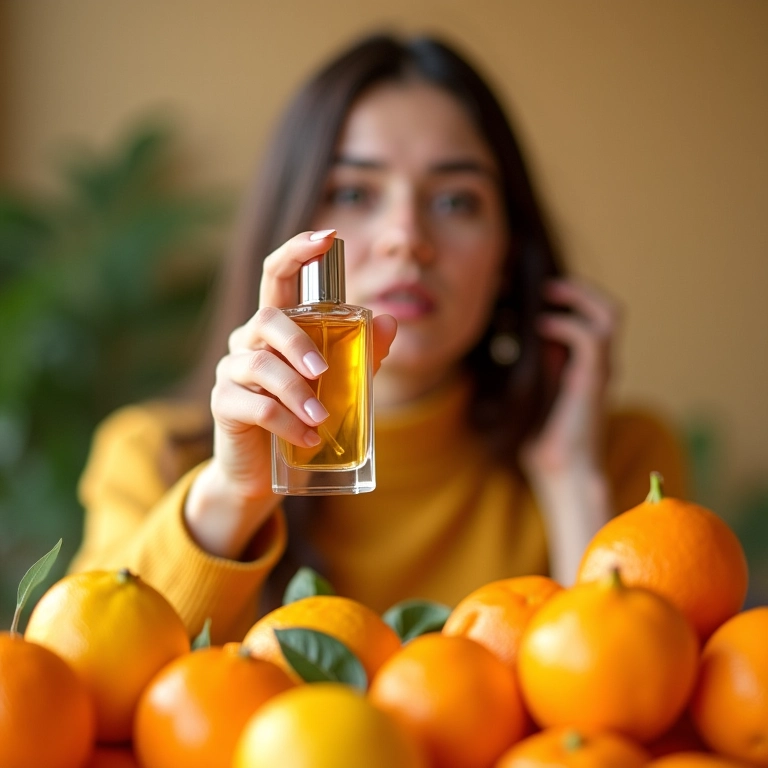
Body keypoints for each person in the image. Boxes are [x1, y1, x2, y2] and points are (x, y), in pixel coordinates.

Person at [70, 32, 686, 642]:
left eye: (454, 202)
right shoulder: (152, 458)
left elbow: (634, 707)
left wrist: (571, 482)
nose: (406, 238)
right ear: (289, 229)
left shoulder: (622, 459)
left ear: (507, 253)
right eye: (354, 193)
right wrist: (235, 497)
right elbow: (69, 703)